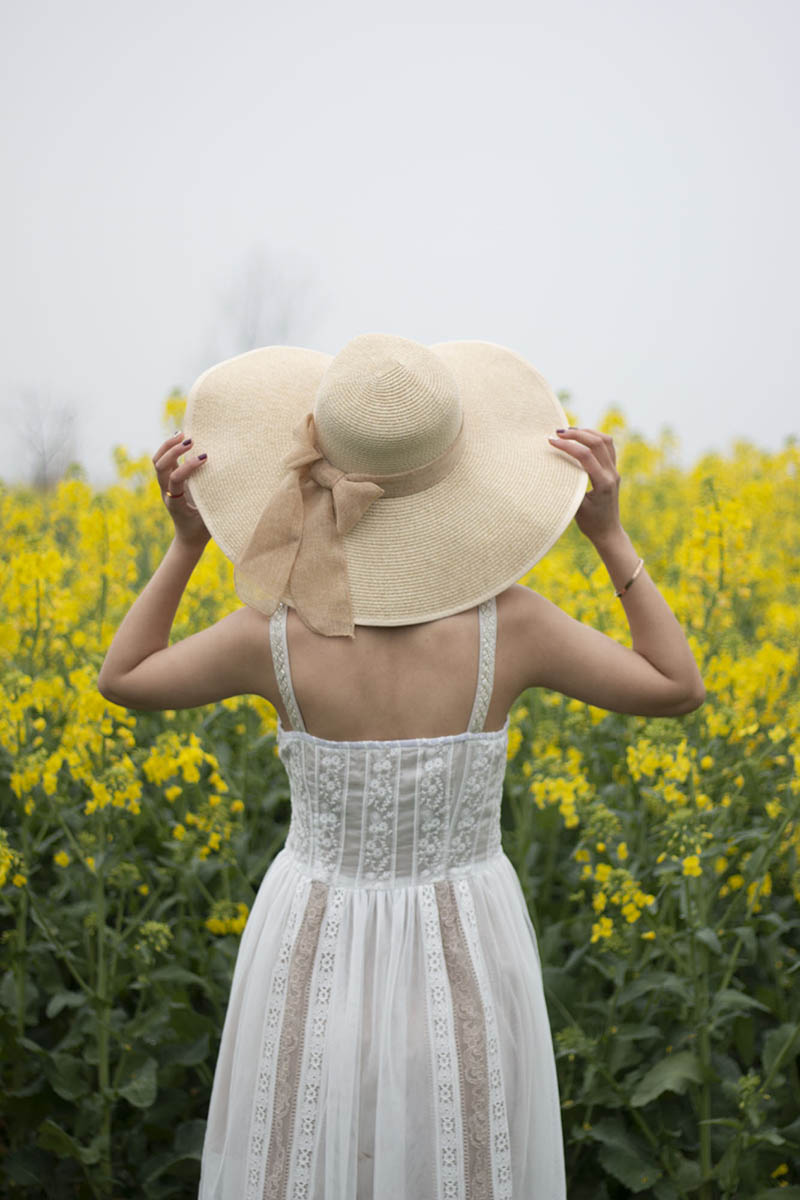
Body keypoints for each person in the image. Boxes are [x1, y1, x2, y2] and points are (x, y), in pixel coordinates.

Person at [97, 333, 705, 1200]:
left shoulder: (271, 632)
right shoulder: (513, 625)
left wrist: (187, 543)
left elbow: (123, 678)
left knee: (307, 1158)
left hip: (310, 939)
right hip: (464, 937)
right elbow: (676, 686)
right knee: (456, 1157)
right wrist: (608, 534)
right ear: (456, 478)